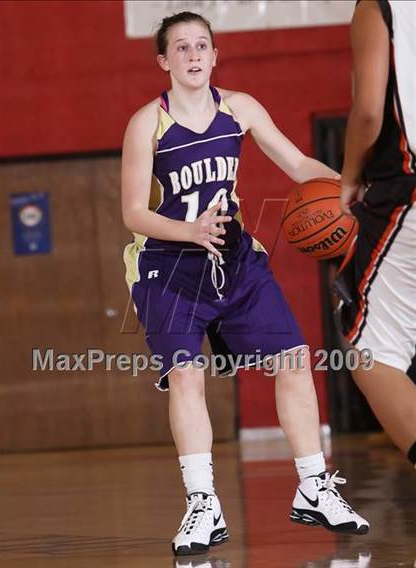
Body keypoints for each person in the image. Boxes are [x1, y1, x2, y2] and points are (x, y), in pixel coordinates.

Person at [121, 11, 369, 556]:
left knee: (294, 360)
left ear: (214, 55)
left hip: (234, 260)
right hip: (168, 266)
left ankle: (314, 486)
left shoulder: (241, 108)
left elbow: (298, 164)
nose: (192, 54)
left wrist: (350, 185)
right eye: (181, 47)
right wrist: (190, 230)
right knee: (186, 376)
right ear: (163, 60)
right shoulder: (146, 124)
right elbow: (133, 212)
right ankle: (202, 502)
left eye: (201, 45)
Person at [336, 0, 416, 466]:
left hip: (407, 187)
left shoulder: (379, 6)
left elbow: (368, 111)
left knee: (369, 350)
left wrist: (349, 177)